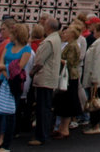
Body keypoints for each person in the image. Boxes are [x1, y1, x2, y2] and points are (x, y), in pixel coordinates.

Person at [0, 22, 32, 151]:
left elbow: (19, 68)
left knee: (10, 115)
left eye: (12, 34)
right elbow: (0, 65)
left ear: (17, 35)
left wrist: (5, 69)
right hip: (4, 81)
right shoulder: (8, 46)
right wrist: (7, 71)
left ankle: (6, 145)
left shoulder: (26, 49)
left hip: (15, 85)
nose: (9, 36)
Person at [28, 17, 61, 146]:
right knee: (46, 107)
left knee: (42, 108)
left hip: (44, 78)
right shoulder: (56, 39)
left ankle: (41, 135)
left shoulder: (48, 41)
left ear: (48, 27)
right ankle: (44, 133)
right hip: (49, 77)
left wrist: (32, 72)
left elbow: (39, 61)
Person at [52, 25, 83, 139]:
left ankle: (64, 129)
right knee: (64, 102)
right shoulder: (70, 45)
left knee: (67, 102)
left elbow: (69, 62)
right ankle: (61, 127)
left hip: (69, 76)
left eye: (66, 33)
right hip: (70, 75)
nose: (64, 34)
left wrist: (57, 59)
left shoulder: (73, 46)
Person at [81, 22, 100, 135]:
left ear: (99, 31)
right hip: (95, 76)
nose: (93, 31)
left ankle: (95, 125)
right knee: (94, 100)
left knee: (95, 101)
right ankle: (94, 124)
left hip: (96, 77)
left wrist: (95, 79)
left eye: (95, 30)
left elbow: (99, 61)